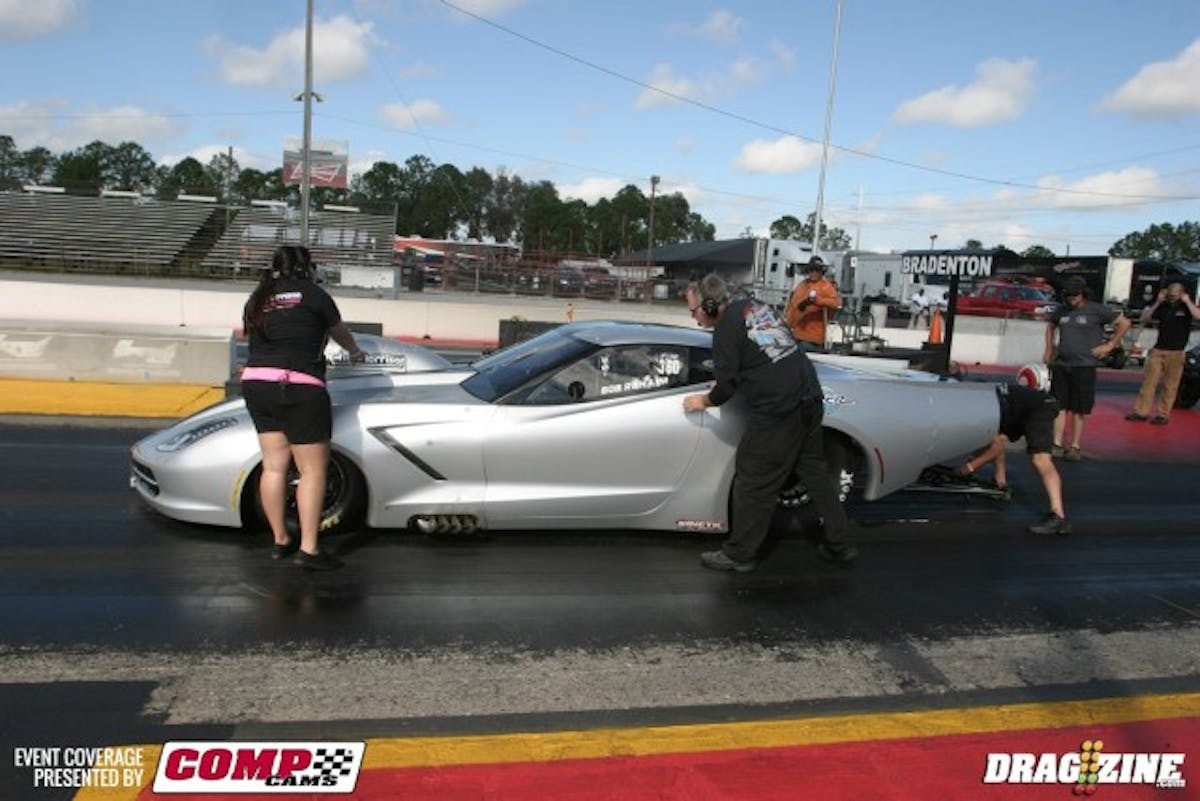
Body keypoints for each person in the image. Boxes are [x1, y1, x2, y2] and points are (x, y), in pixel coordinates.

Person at [682, 273, 856, 572]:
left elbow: (726, 387)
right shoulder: (755, 307)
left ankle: (739, 554)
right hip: (810, 397)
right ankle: (839, 545)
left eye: (693, 311)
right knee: (814, 472)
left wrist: (703, 401)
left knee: (753, 480)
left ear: (710, 306)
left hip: (778, 410)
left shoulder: (725, 329)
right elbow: (764, 354)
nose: (694, 318)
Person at [241, 245, 366, 571]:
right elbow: (338, 332)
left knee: (274, 467)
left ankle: (280, 540)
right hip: (299, 384)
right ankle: (309, 549)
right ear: (307, 268)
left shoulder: (259, 297)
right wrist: (354, 350)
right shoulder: (314, 295)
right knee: (312, 470)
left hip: (256, 381)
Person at [957, 383, 1070, 535]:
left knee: (1041, 460)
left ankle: (1058, 516)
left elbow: (996, 448)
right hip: (1022, 407)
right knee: (998, 437)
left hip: (1040, 407)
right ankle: (1000, 483)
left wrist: (969, 467)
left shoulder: (983, 407)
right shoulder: (984, 397)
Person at [1043, 276, 1130, 460]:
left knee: (1079, 408)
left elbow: (1124, 323)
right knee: (1058, 405)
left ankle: (1074, 446)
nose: (1071, 298)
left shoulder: (1097, 310)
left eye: (1075, 295)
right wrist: (1049, 350)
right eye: (1068, 295)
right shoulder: (1062, 310)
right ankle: (1057, 443)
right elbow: (1050, 326)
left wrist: (1110, 345)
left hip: (1084, 366)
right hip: (1062, 364)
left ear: (1083, 294)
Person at [1125, 283, 1200, 425]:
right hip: (1158, 349)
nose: (1171, 298)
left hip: (1177, 351)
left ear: (1181, 294)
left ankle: (1163, 414)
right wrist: (1158, 302)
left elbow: (1198, 316)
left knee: (1170, 385)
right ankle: (1141, 412)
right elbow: (1144, 319)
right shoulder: (1163, 306)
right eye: (1170, 295)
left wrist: (1187, 301)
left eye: (1175, 295)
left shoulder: (1186, 307)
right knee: (1149, 382)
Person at [785, 257, 841, 350]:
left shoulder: (826, 286)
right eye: (811, 270)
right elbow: (792, 307)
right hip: (796, 334)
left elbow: (835, 303)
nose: (814, 272)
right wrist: (788, 327)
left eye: (817, 270)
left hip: (813, 338)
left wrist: (819, 301)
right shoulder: (802, 285)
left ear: (822, 271)